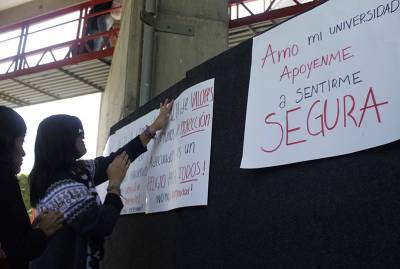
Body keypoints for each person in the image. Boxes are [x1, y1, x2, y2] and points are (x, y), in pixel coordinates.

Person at [29, 99, 173, 269]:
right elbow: (100, 225)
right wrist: (114, 185)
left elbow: (117, 159)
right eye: (79, 136)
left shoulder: (77, 169)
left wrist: (153, 128)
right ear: (64, 142)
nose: (83, 139)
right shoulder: (62, 187)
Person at [0, 106, 64, 269]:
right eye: (21, 141)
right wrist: (43, 231)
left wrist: (31, 229)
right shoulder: (4, 179)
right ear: (6, 141)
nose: (23, 152)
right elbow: (18, 248)